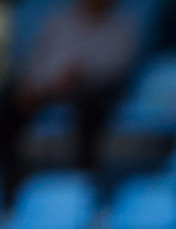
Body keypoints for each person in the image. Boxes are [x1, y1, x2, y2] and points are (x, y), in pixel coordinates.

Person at [0, 0, 141, 179]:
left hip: (91, 90)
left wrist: (81, 73)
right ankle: (11, 176)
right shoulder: (61, 22)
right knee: (11, 104)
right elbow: (40, 59)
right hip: (50, 87)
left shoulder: (121, 29)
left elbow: (117, 67)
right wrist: (33, 86)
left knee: (91, 109)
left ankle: (84, 178)